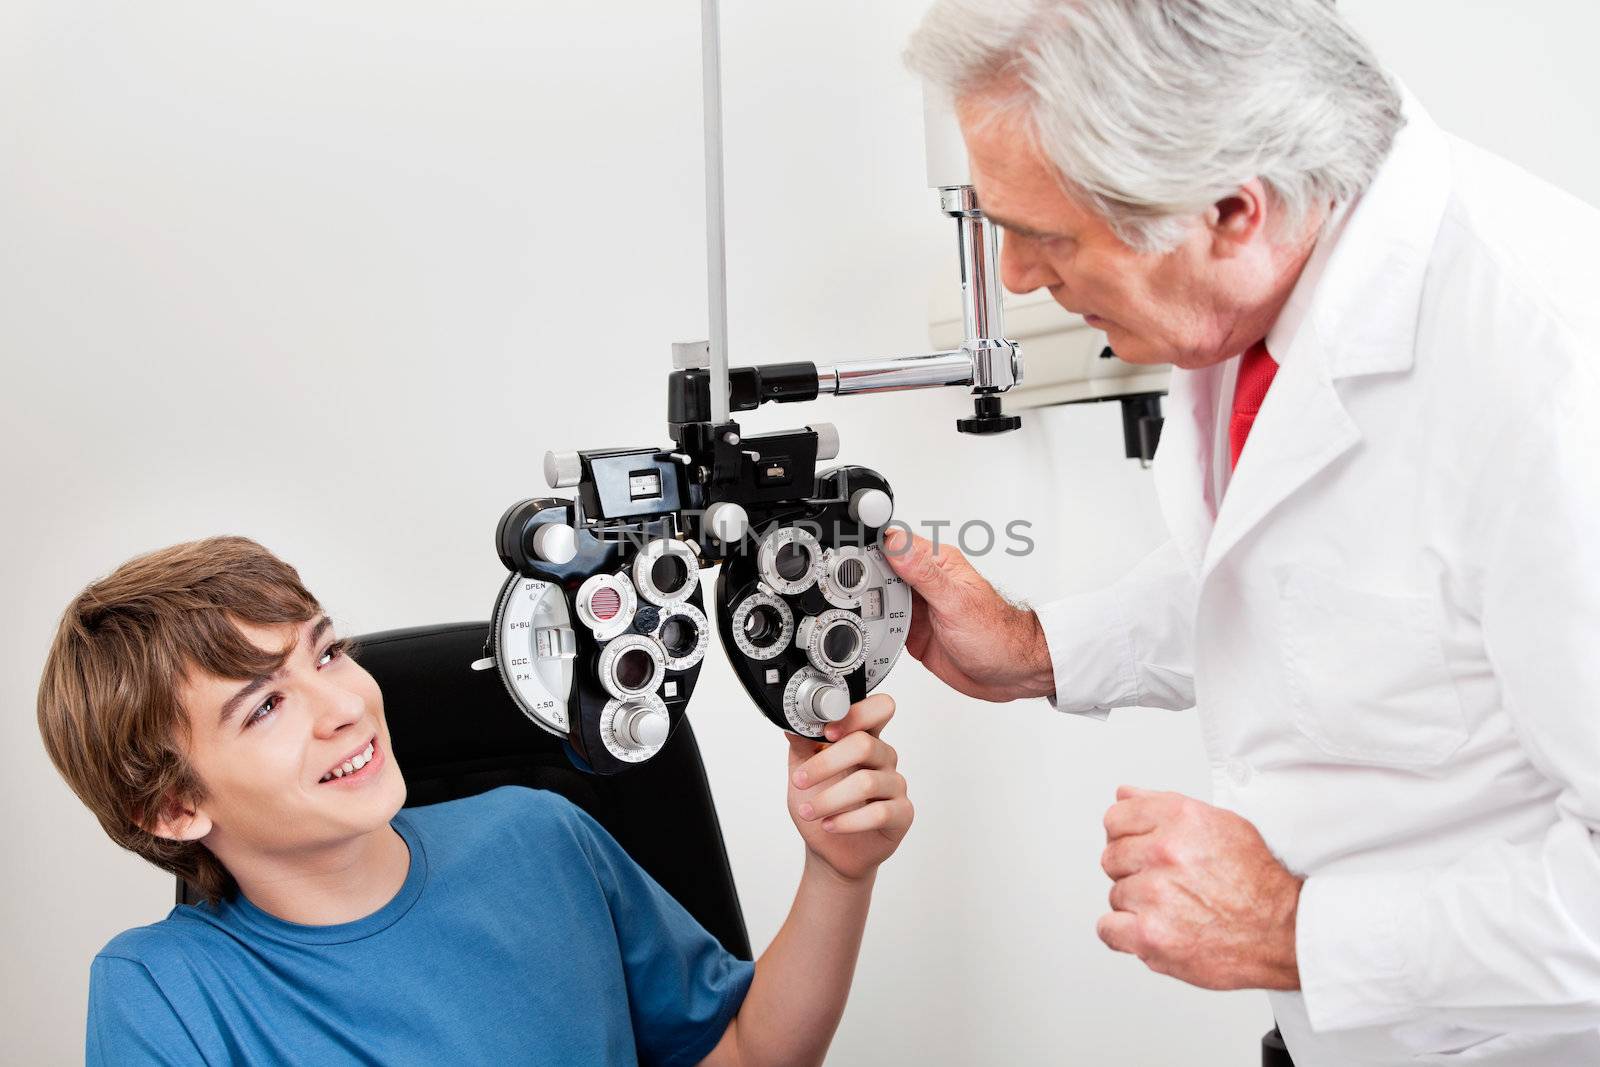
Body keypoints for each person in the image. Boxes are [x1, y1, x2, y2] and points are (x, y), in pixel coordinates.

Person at [893, 1, 1600, 1063]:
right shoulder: (1264, 280)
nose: (1018, 279)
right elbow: (1307, 579)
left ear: (1229, 209)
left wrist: (1293, 927)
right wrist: (1039, 648)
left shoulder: (1548, 380)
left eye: (1042, 234)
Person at [38, 536, 914, 1065]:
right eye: (265, 704)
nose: (345, 705)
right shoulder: (161, 986)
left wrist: (838, 872)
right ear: (173, 808)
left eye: (329, 651)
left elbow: (751, 1053)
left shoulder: (544, 834)